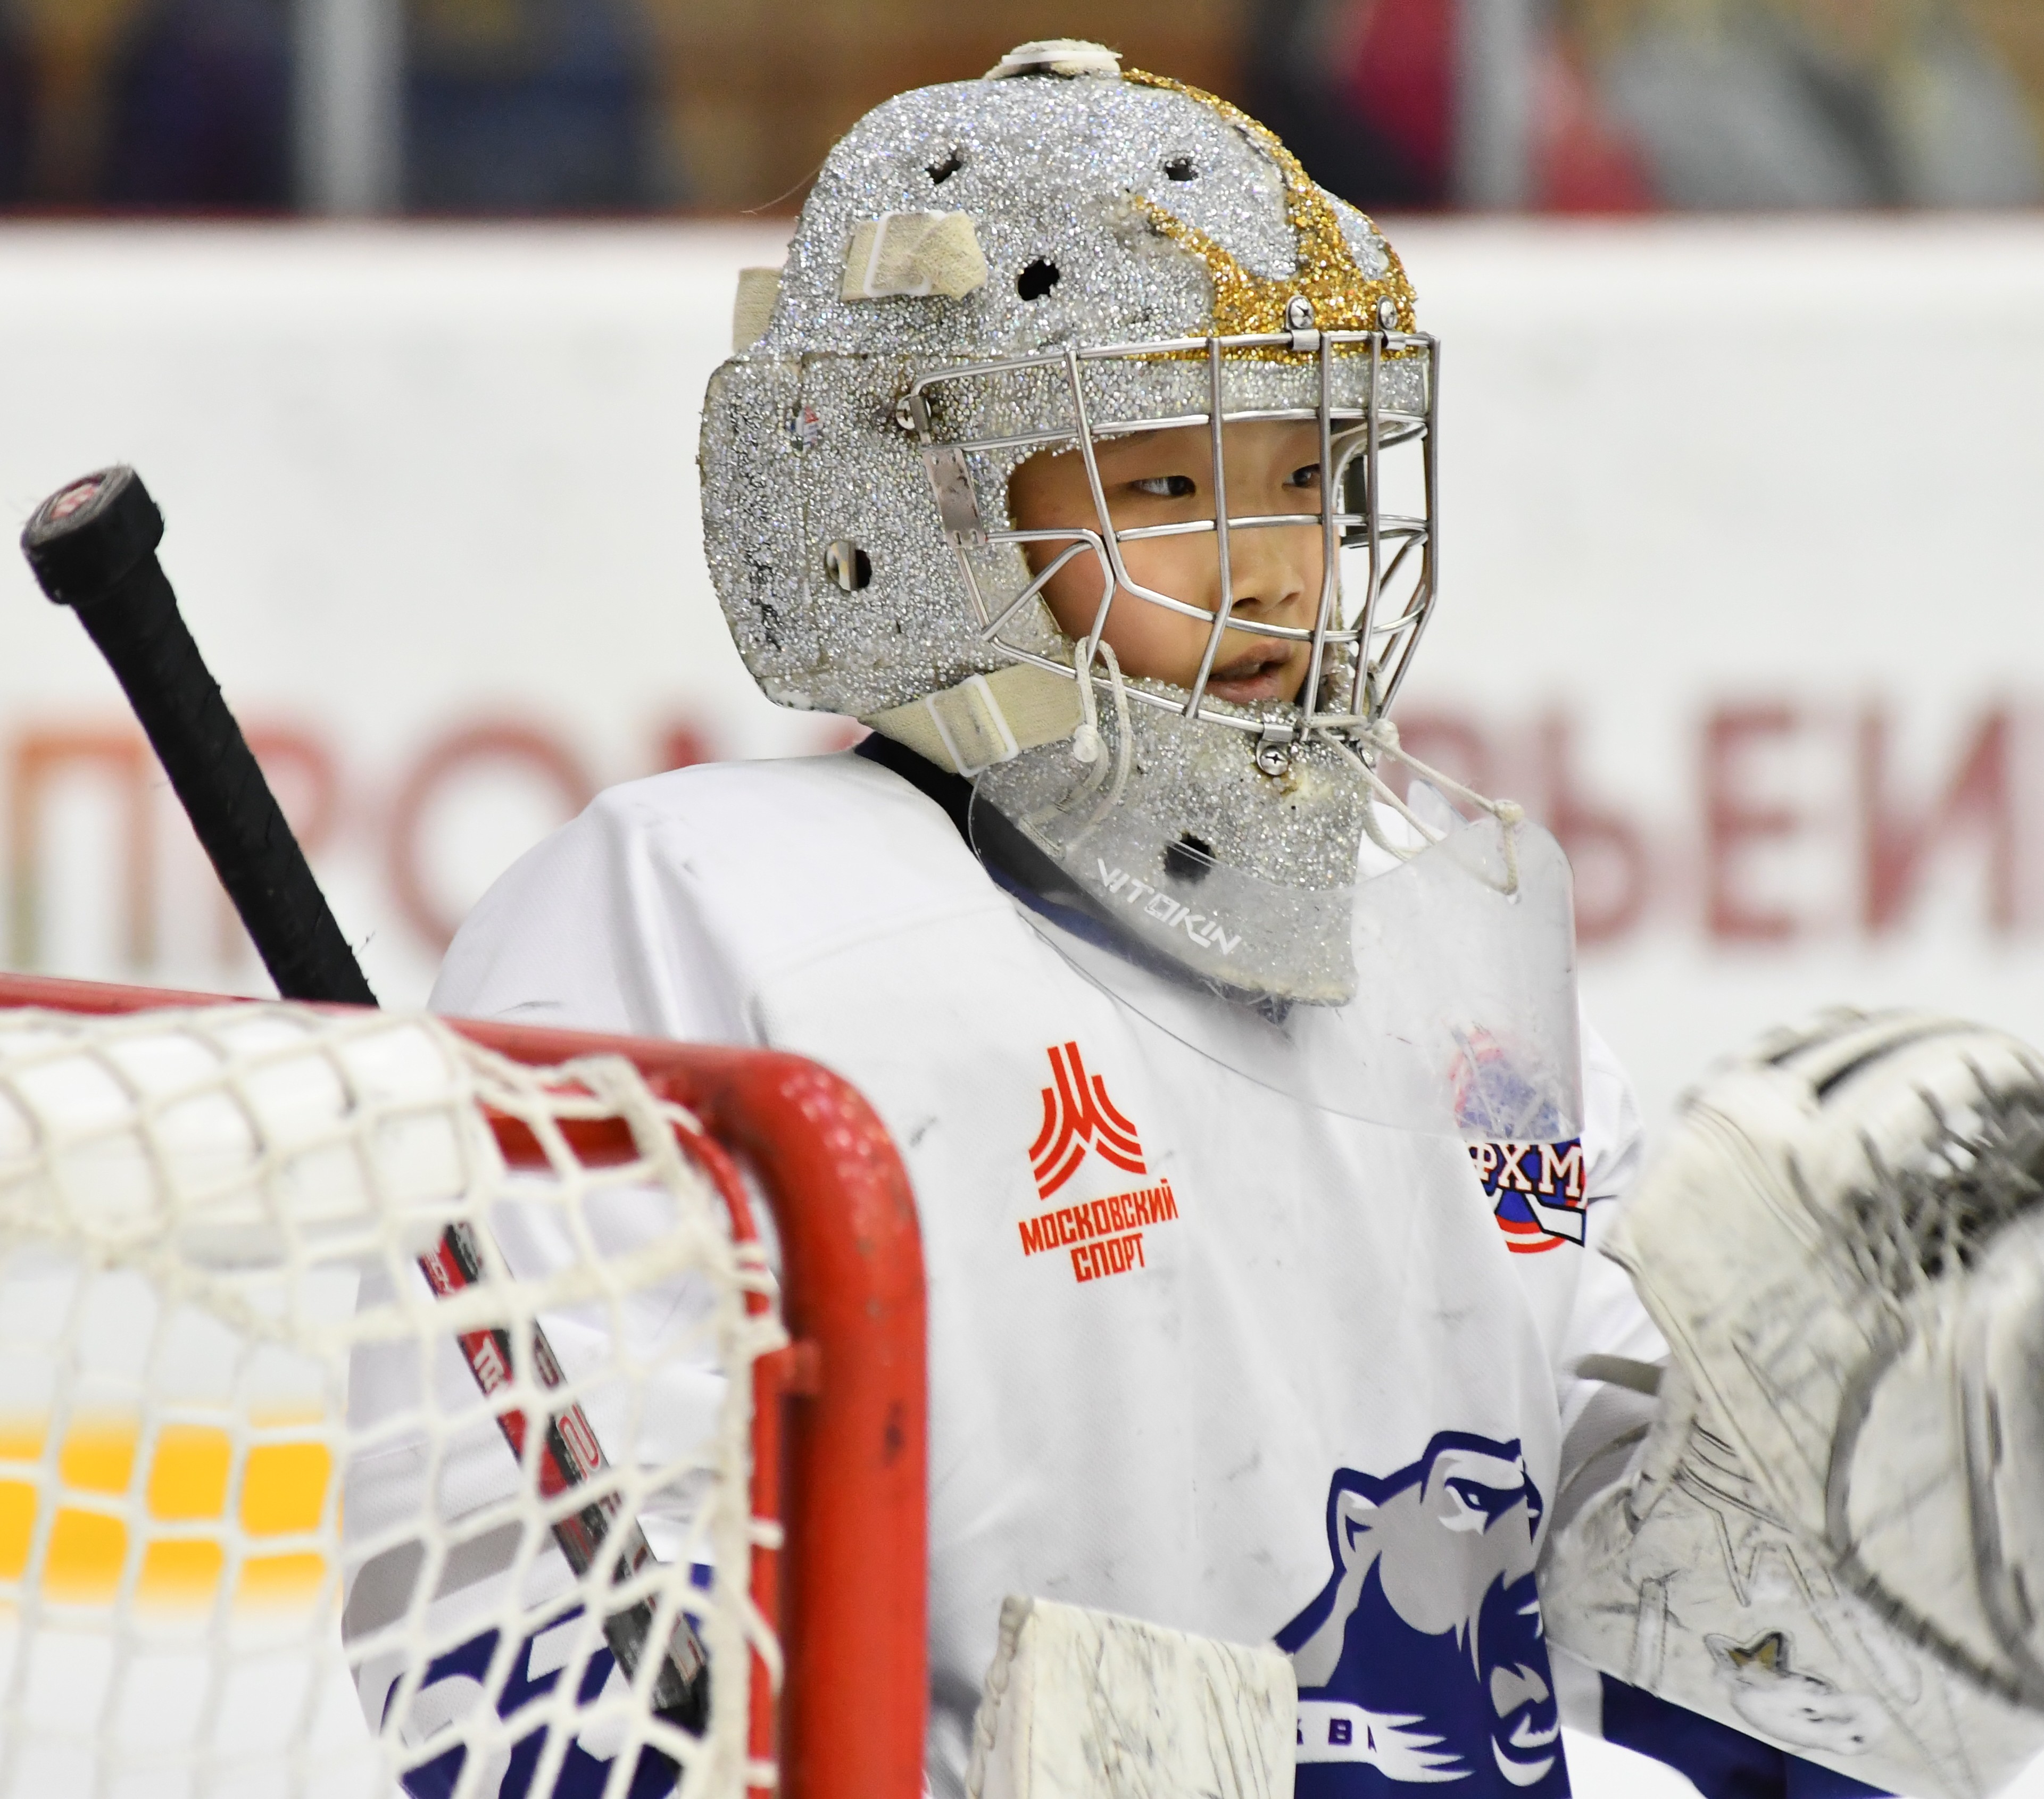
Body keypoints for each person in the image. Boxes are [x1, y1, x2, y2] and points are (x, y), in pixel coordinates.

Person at [376, 40, 2031, 1799]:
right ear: (918, 512)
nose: (1276, 571)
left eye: (1307, 477)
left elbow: (1604, 1599)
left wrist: (1815, 1537)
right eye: (1168, 487)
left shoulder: (1442, 925)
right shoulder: (695, 918)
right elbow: (514, 1648)